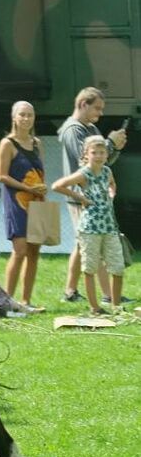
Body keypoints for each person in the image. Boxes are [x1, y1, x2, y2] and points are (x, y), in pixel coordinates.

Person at [58, 87, 128, 303]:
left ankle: (70, 292)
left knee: (82, 245)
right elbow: (85, 159)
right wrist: (110, 143)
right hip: (83, 197)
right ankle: (107, 296)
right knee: (92, 246)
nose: (100, 113)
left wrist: (113, 148)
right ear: (83, 105)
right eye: (97, 108)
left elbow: (103, 161)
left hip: (96, 198)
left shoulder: (90, 127)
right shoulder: (73, 130)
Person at [52, 136, 127, 315]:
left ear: (107, 155)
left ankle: (116, 306)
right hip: (90, 228)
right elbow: (57, 186)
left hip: (109, 227)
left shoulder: (107, 171)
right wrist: (81, 198)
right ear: (86, 154)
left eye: (102, 153)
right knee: (90, 268)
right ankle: (95, 307)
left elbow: (112, 184)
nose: (99, 156)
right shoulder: (83, 174)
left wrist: (111, 193)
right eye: (94, 153)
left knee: (117, 268)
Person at [0, 101, 46, 312]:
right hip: (16, 201)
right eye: (22, 115)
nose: (26, 119)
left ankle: (26, 301)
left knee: (34, 250)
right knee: (20, 249)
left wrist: (41, 190)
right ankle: (7, 301)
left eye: (30, 115)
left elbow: (40, 171)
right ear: (14, 118)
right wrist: (27, 187)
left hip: (37, 201)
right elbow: (2, 176)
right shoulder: (7, 144)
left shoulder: (37, 143)